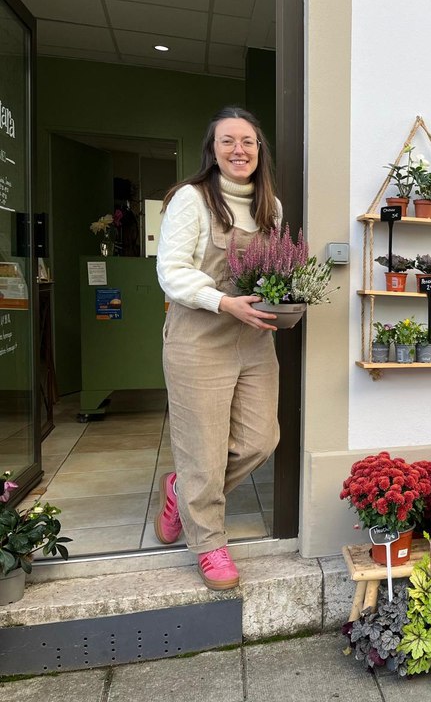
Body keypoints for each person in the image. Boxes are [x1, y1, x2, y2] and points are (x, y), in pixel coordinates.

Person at [155, 107, 281, 590]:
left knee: (260, 439)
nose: (238, 150)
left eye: (247, 142)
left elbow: (273, 271)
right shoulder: (191, 199)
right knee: (202, 452)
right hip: (198, 339)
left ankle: (180, 490)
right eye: (227, 141)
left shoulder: (271, 207)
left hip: (253, 339)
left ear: (258, 149)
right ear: (213, 150)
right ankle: (209, 545)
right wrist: (223, 300)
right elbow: (172, 272)